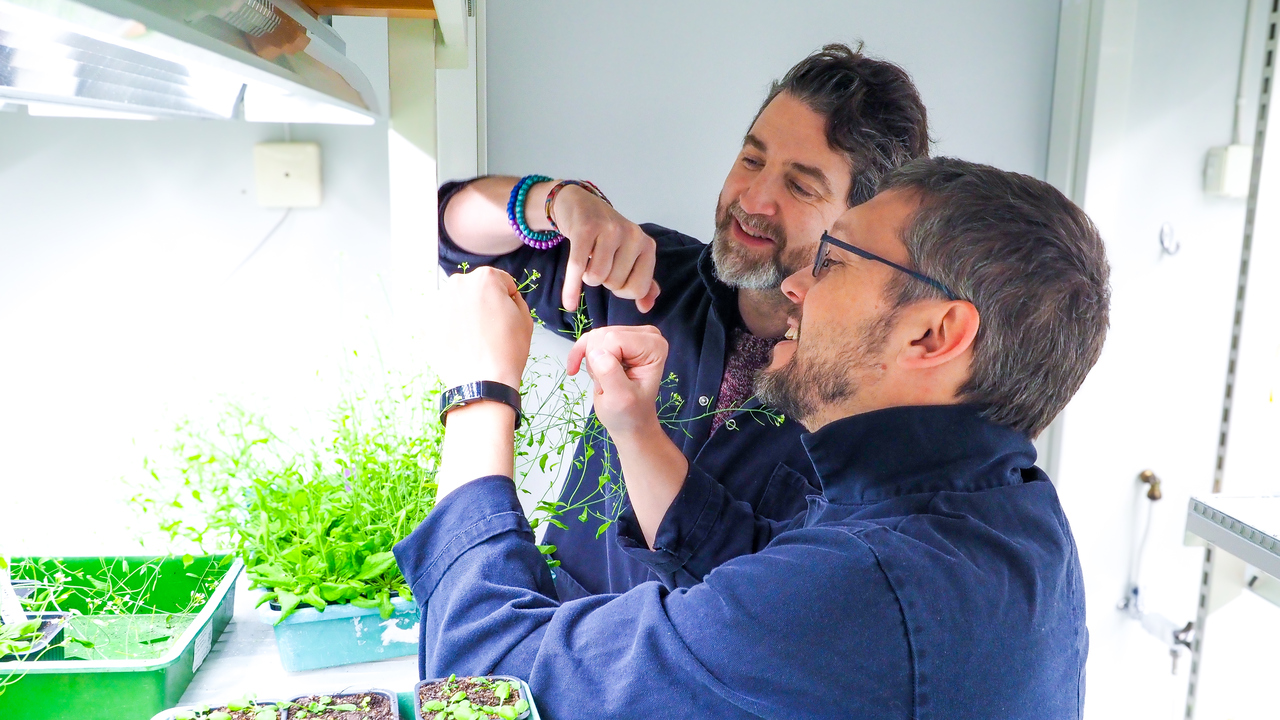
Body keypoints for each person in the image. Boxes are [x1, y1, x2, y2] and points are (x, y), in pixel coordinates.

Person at [394, 157, 1111, 719]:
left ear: (934, 332)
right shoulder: (1009, 520)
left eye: (833, 259)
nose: (798, 285)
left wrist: (479, 390)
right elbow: (762, 566)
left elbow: (478, 686)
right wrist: (636, 429)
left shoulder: (863, 590)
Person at [435, 44, 930, 599]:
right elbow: (454, 235)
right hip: (548, 654)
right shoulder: (649, 272)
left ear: (860, 224)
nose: (755, 198)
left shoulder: (863, 406)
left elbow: (777, 606)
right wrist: (558, 200)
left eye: (800, 186)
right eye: (751, 159)